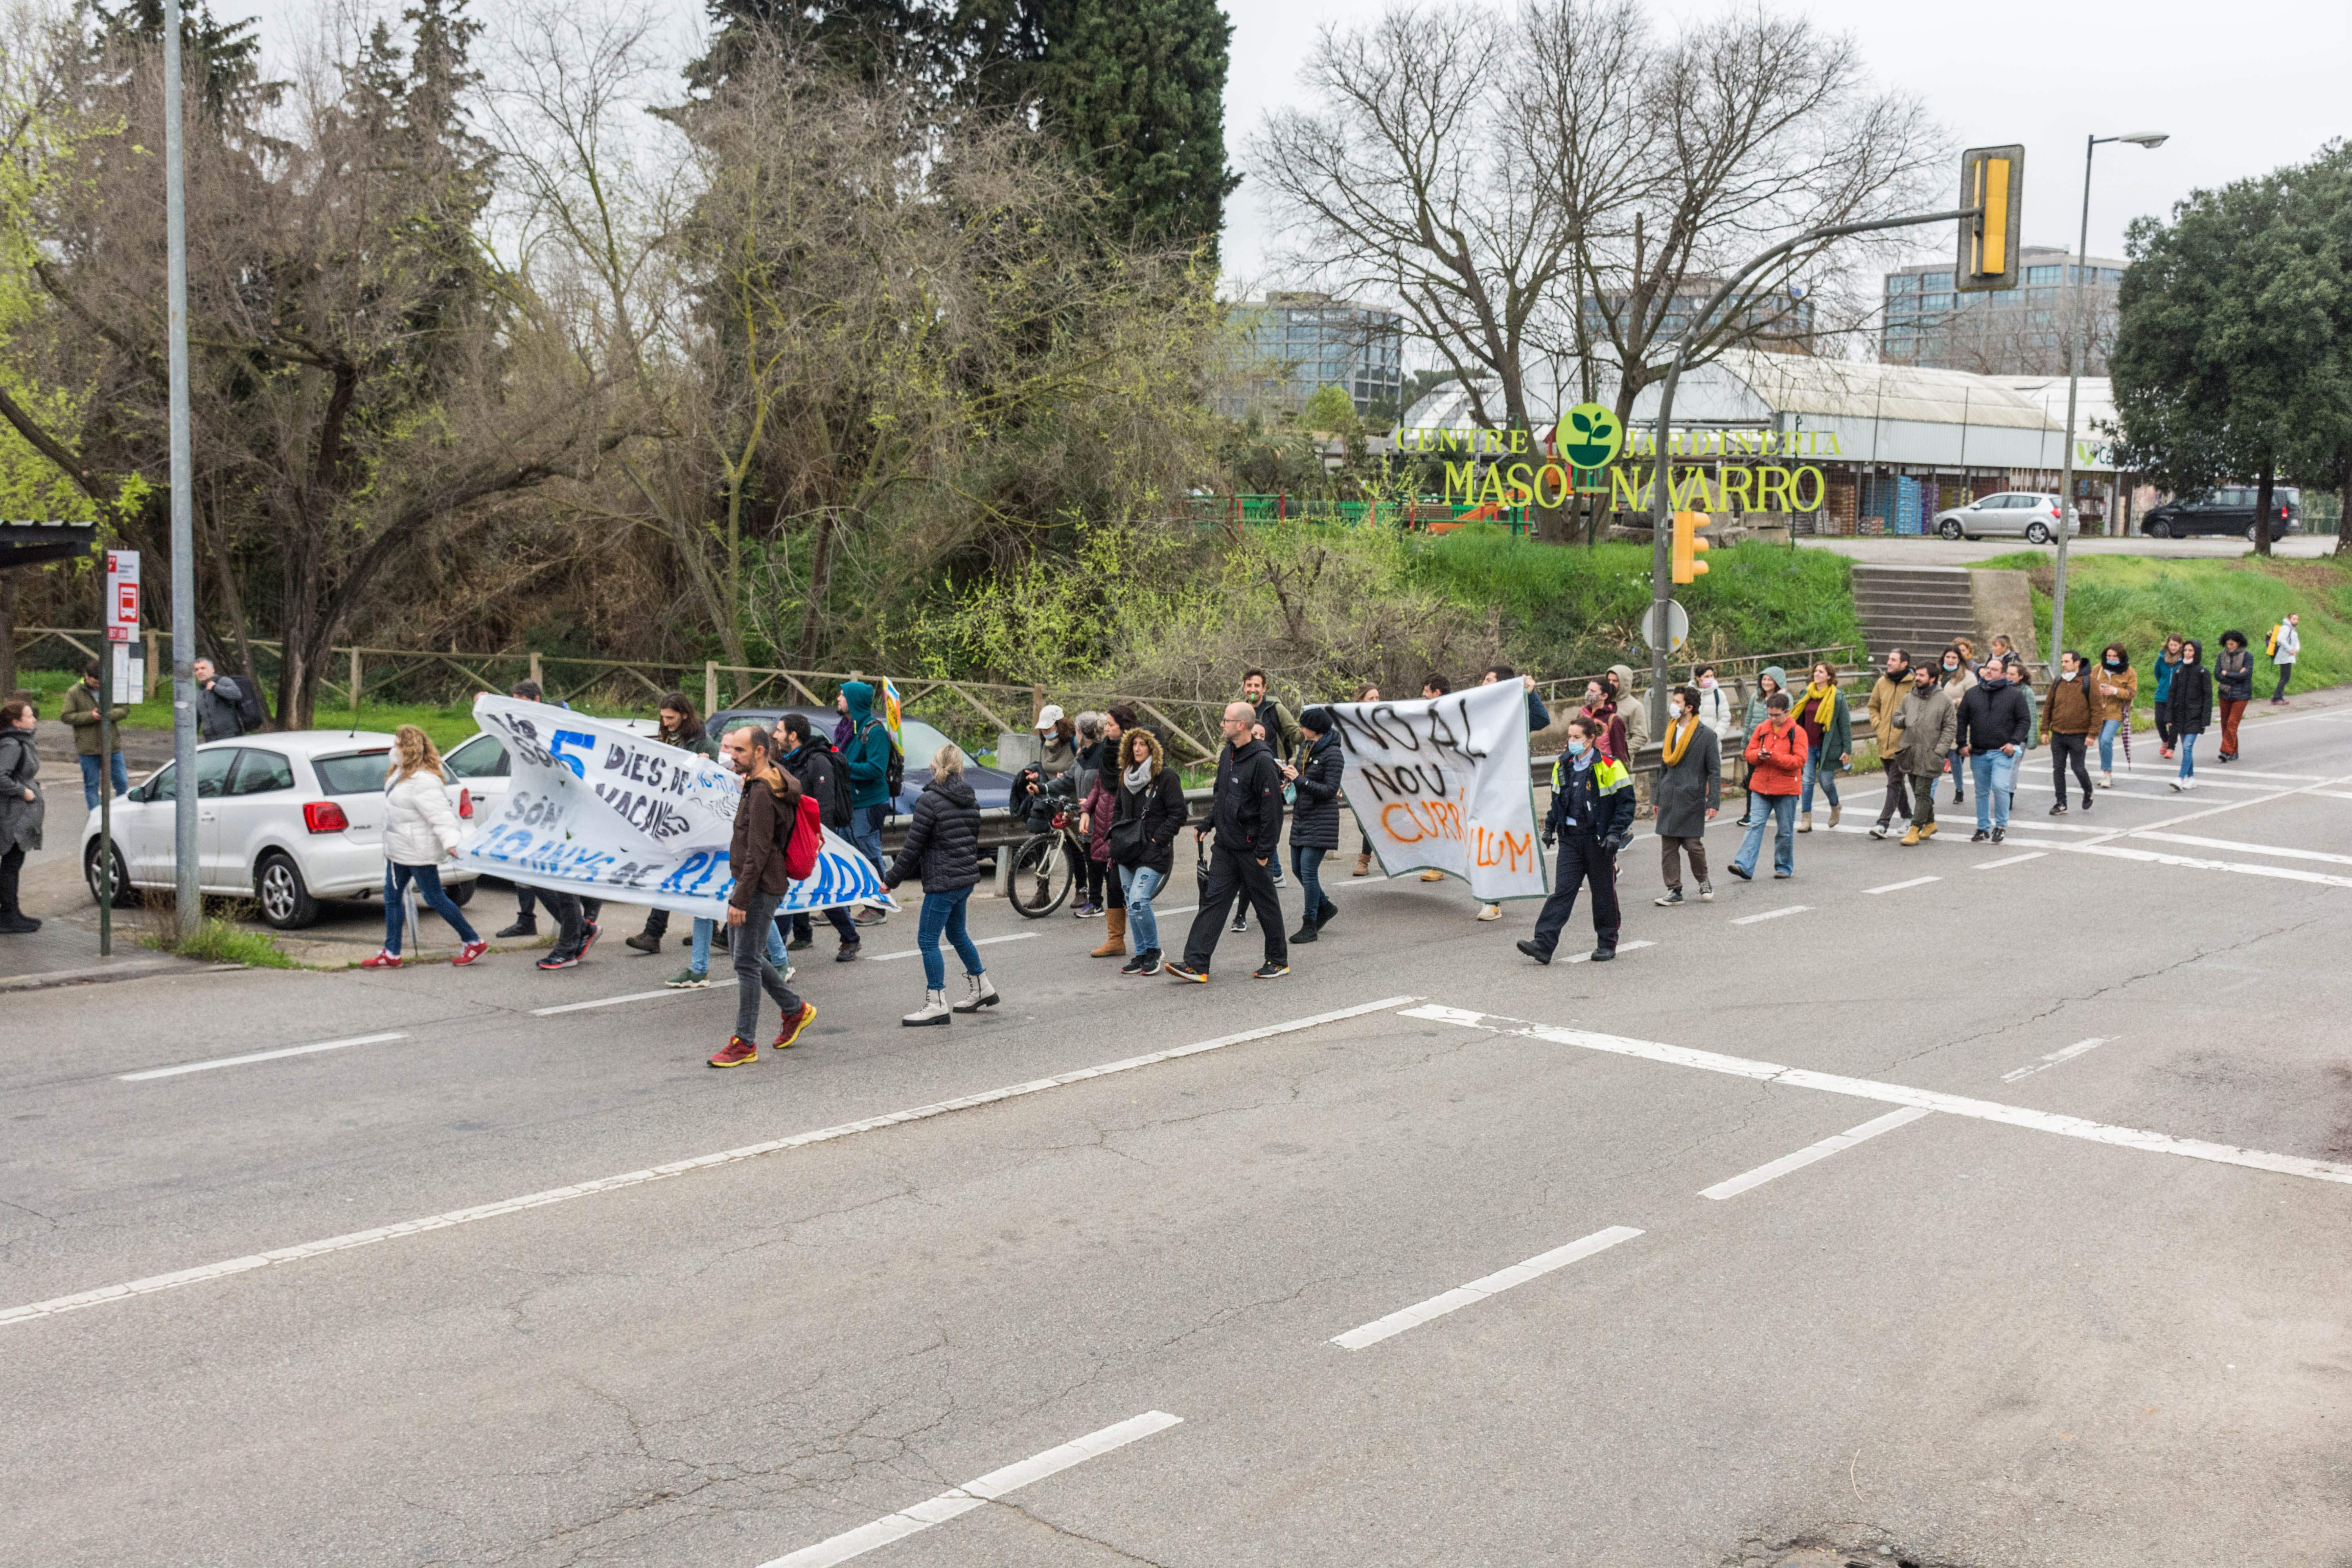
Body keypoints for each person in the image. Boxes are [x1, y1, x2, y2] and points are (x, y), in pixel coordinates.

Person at [707, 725, 819, 1067]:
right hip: (759, 882)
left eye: (740, 751)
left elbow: (757, 853)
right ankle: (794, 1010)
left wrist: (739, 901)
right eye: (732, 750)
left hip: (760, 886)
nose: (733, 757)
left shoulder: (761, 793)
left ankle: (745, 1042)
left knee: (745, 962)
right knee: (748, 958)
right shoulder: (772, 777)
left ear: (759, 751)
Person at [1164, 702, 1287, 984]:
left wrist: (1264, 852)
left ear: (1241, 725)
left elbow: (1273, 812)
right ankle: (1196, 964)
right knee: (1213, 902)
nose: (1222, 724)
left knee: (1265, 905)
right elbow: (1222, 797)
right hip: (1226, 847)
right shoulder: (1227, 754)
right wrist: (1207, 823)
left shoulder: (1262, 762)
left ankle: (1278, 961)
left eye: (1226, 720)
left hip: (1252, 849)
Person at [882, 744, 998, 1025]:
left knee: (927, 940)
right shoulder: (971, 799)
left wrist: (890, 881)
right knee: (957, 934)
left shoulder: (929, 802)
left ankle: (936, 1003)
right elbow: (971, 839)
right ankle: (982, 987)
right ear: (960, 769)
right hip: (964, 878)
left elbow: (911, 849)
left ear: (934, 768)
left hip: (943, 881)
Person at [361, 726, 489, 968]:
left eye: (398, 745)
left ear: (409, 749)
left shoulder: (423, 781)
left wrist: (452, 843)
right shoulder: (400, 774)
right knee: (392, 897)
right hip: (398, 850)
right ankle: (392, 952)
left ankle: (473, 941)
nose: (394, 749)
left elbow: (441, 815)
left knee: (433, 897)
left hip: (416, 851)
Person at [1515, 715, 1633, 964]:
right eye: (1570, 737)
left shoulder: (1610, 766)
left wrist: (1615, 833)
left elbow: (1626, 804)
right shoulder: (1563, 765)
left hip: (1598, 840)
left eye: (1577, 737)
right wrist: (1550, 827)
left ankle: (1606, 942)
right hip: (1571, 839)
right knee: (1563, 891)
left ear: (1591, 739)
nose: (1571, 742)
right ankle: (1543, 944)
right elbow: (1557, 801)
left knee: (1603, 893)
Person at [626, 693, 717, 956]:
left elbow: (711, 783)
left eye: (671, 718)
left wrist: (703, 766)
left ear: (685, 715)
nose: (666, 723)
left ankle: (658, 933)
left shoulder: (705, 743)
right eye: (663, 718)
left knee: (692, 877)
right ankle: (656, 933)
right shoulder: (665, 738)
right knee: (673, 876)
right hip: (670, 817)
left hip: (695, 821)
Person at [771, 712, 862, 967]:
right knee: (791, 893)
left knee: (822, 892)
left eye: (779, 731)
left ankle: (850, 938)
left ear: (793, 735)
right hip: (790, 838)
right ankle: (777, 948)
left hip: (812, 840)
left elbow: (825, 806)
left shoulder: (818, 761)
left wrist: (819, 840)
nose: (775, 735)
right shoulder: (788, 760)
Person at [1111, 726, 1187, 975]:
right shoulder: (1125, 777)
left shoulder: (1167, 778)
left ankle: (1154, 951)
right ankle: (1141, 952)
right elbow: (1118, 812)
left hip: (1153, 852)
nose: (1138, 748)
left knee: (1139, 900)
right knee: (1130, 903)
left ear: (1154, 748)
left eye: (1144, 744)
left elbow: (1179, 814)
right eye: (1134, 744)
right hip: (1127, 850)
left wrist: (1157, 840)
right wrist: (1116, 838)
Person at [1651, 685, 1719, 906]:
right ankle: (1674, 890)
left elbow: (1715, 771)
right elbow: (1664, 766)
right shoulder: (1670, 730)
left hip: (1692, 797)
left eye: (1678, 702)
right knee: (1668, 847)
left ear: (1689, 708)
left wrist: (1714, 802)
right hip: (1669, 795)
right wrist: (1657, 798)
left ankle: (1703, 880)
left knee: (1693, 845)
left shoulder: (1707, 735)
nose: (1674, 705)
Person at [1282, 706, 1344, 942]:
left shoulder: (1334, 754)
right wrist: (1288, 778)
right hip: (1302, 816)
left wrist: (1300, 781)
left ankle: (1310, 924)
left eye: (1304, 725)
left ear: (1315, 729)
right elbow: (1300, 776)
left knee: (1308, 871)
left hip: (1322, 819)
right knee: (1298, 869)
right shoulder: (1306, 748)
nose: (1301, 729)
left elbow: (1329, 790)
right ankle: (1326, 907)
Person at [840, 679, 898, 925]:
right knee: (845, 853)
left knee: (869, 853)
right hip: (851, 803)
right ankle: (837, 908)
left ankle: (879, 905)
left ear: (853, 702)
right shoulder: (848, 729)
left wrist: (842, 766)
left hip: (870, 803)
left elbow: (876, 769)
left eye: (842, 696)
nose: (838, 700)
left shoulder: (874, 733)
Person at [1729, 692, 1804, 880]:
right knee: (1755, 826)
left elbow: (1800, 760)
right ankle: (1744, 865)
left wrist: (1775, 758)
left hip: (1786, 789)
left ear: (1787, 712)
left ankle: (1784, 866)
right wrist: (1759, 756)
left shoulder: (1798, 732)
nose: (1773, 719)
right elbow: (1749, 752)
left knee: (1785, 831)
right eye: (1770, 715)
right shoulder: (1762, 728)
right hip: (1761, 787)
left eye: (1777, 715)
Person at [1955, 657, 2029, 842]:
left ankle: (2001, 826)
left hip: (2002, 752)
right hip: (1979, 752)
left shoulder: (2014, 695)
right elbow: (1962, 719)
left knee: (2000, 786)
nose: (1988, 671)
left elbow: (2024, 721)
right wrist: (1962, 743)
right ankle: (1983, 828)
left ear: (2003, 674)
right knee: (1981, 792)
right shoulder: (1973, 694)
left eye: (1994, 670)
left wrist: (2014, 742)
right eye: (1987, 668)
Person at [1080, 708, 1133, 951]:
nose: (1107, 728)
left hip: (1122, 824)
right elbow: (1098, 786)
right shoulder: (1105, 751)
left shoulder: (1134, 753)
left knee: (1127, 888)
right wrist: (1086, 812)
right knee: (1112, 884)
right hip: (1102, 822)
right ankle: (1116, 940)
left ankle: (1147, 944)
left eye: (1111, 725)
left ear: (1123, 727)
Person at [1889, 660, 1956, 846]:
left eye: (1921, 676)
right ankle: (1931, 823)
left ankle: (1914, 830)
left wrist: (1940, 751)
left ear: (1933, 679)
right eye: (1917, 675)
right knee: (1921, 794)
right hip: (1910, 752)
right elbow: (1896, 718)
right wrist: (1904, 720)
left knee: (1922, 792)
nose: (1917, 679)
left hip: (1930, 754)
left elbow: (1950, 728)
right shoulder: (1909, 697)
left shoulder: (1944, 700)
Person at [1791, 660, 1851, 833]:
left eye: (1821, 672)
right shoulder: (1807, 693)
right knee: (1808, 781)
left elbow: (1845, 724)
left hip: (1828, 746)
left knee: (1826, 782)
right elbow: (1798, 718)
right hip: (1808, 745)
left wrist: (1847, 749)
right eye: (1816, 671)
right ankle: (1806, 819)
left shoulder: (1837, 697)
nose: (1817, 674)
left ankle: (1835, 806)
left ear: (1830, 677)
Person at [61, 661, 129, 808]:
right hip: (88, 747)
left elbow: (124, 710)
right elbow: (66, 716)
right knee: (92, 785)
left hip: (112, 746)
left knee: (122, 782)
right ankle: (96, 816)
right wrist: (91, 716)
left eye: (101, 682)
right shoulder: (74, 692)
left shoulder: (112, 688)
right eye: (95, 682)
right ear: (87, 676)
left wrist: (108, 715)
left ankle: (122, 811)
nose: (99, 685)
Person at [0, 700, 43, 934]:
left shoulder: (20, 741)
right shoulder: (12, 744)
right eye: (29, 717)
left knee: (12, 864)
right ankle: (8, 916)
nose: (34, 720)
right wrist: (23, 792)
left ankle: (11, 912)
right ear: (17, 723)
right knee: (11, 864)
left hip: (16, 814)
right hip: (11, 815)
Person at [2042, 650, 2096, 815]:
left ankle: (2088, 791)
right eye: (2063, 662)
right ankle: (2061, 803)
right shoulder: (2058, 681)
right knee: (2058, 769)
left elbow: (2096, 710)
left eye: (2067, 662)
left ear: (2077, 663)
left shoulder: (2089, 682)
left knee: (2078, 767)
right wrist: (2045, 730)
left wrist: (2092, 734)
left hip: (2079, 734)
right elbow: (2048, 707)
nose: (2063, 665)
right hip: (2058, 733)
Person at [1865, 649, 1912, 839]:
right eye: (1889, 659)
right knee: (1896, 784)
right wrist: (1878, 725)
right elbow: (1873, 706)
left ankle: (1882, 824)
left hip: (1903, 744)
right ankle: (1908, 817)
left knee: (1893, 783)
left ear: (1904, 664)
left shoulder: (1914, 684)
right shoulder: (1882, 682)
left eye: (1893, 660)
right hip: (1884, 741)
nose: (1889, 663)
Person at [1734, 666, 1786, 827]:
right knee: (1753, 780)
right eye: (1764, 679)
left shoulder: (1785, 699)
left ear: (1778, 681)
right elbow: (1748, 721)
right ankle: (1750, 813)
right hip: (1755, 745)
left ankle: (1778, 807)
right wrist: (1745, 744)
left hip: (1774, 747)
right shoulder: (1756, 697)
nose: (1767, 682)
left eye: (1771, 679)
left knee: (1774, 778)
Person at [2165, 638, 2212, 791]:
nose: (2187, 653)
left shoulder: (2203, 672)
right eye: (2185, 650)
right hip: (2180, 716)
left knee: (2187, 746)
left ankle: (2180, 778)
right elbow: (2171, 694)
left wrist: (2205, 720)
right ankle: (2191, 779)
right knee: (2187, 749)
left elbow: (2208, 697)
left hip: (2195, 717)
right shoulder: (2179, 671)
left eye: (2190, 650)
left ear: (2196, 652)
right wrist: (2169, 716)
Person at [1938, 645, 1977, 805]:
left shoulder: (1968, 677)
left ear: (1960, 660)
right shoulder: (1938, 674)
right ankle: (1930, 795)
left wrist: (1956, 702)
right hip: (1937, 721)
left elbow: (1974, 698)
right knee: (1935, 757)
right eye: (1948, 657)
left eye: (1954, 658)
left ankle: (1959, 789)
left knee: (1954, 756)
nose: (1950, 660)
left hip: (1957, 721)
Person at [2092, 644, 2136, 786]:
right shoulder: (2098, 669)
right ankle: (2106, 771)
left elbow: (2132, 693)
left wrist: (2116, 691)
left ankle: (2107, 774)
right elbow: (2089, 686)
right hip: (2099, 711)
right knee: (2101, 743)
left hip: (2116, 711)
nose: (2111, 659)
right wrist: (2097, 690)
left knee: (2106, 740)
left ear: (2121, 657)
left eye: (2115, 657)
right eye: (2109, 656)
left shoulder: (2130, 672)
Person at [1350, 683, 1381, 876]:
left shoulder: (1382, 720)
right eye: (1372, 698)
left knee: (1372, 821)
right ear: (1361, 701)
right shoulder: (1351, 722)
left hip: (1380, 779)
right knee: (1364, 823)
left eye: (1378, 698)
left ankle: (1364, 862)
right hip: (1359, 779)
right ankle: (1380, 852)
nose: (1376, 702)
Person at [1241, 668, 1301, 767]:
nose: (1252, 690)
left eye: (1257, 686)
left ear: (1264, 688)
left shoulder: (1276, 709)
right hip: (1247, 768)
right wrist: (1221, 761)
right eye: (1249, 685)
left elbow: (1296, 735)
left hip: (1273, 768)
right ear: (1244, 688)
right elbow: (1226, 738)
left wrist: (1309, 727)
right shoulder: (1240, 711)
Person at [2214, 631, 2254, 762]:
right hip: (2224, 693)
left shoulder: (2248, 656)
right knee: (2225, 723)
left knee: (2233, 723)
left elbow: (2245, 676)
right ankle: (2234, 751)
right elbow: (2217, 675)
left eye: (2232, 644)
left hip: (2242, 694)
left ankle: (2225, 751)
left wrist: (2227, 674)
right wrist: (2235, 675)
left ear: (2239, 643)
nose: (2230, 647)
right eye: (2227, 644)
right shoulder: (2222, 656)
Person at [191, 657, 247, 742]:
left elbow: (237, 694)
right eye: (197, 670)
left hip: (231, 737)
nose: (200, 672)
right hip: (210, 740)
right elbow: (197, 718)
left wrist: (215, 687)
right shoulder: (199, 693)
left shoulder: (223, 682)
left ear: (212, 669)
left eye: (203, 668)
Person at [2151, 634, 2184, 759]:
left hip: (2177, 697)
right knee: (2159, 720)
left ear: (2181, 645)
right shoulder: (2161, 658)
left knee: (2173, 723)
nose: (2173, 647)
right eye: (2171, 645)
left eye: (2176, 645)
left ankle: (2171, 747)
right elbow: (2157, 674)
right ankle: (2165, 740)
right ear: (2168, 645)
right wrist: (2164, 685)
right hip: (2162, 695)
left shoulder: (2183, 659)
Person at [1606, 664, 1650, 753]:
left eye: (1615, 681)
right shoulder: (1602, 701)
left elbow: (1641, 737)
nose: (1611, 684)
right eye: (1609, 680)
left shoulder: (1635, 706)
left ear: (1624, 683)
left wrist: (1622, 752)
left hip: (1619, 762)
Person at [1693, 665, 1737, 742]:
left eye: (1712, 676)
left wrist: (1716, 736)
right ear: (1698, 678)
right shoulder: (1689, 694)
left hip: (1712, 743)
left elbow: (1725, 717)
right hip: (1692, 742)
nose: (1710, 679)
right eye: (1707, 677)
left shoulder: (1719, 694)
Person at [2271, 612, 2300, 703]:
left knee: (2286, 677)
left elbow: (2297, 642)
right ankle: (2276, 698)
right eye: (2294, 619)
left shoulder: (2293, 630)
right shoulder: (2286, 628)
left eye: (2297, 619)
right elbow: (2280, 640)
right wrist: (2290, 650)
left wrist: (2296, 650)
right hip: (2284, 656)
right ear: (2289, 619)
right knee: (2285, 677)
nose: (2296, 621)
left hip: (2289, 656)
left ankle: (2279, 697)